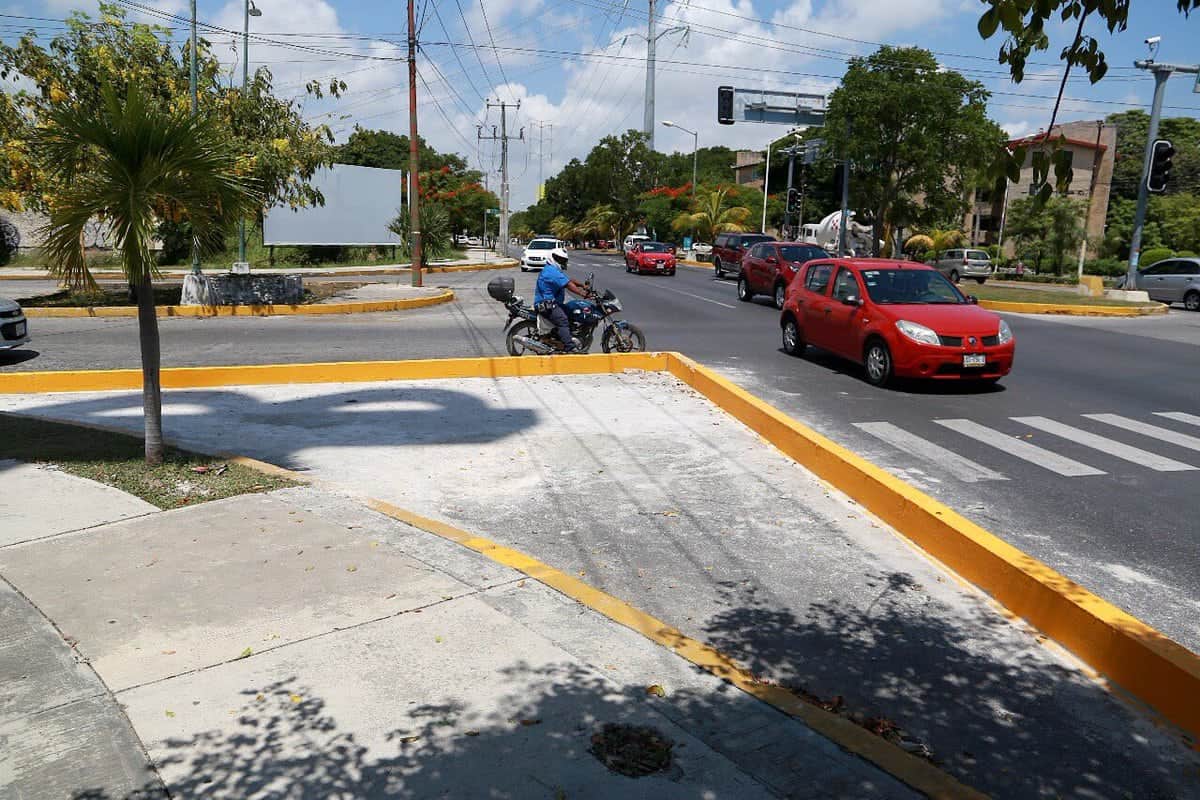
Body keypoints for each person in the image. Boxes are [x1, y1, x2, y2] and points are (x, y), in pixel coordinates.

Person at [534, 248, 590, 351]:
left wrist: (582, 285)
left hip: (552, 303)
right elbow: (568, 284)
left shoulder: (553, 270)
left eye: (563, 260)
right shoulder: (551, 271)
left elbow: (568, 280)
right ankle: (570, 347)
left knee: (571, 310)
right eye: (560, 260)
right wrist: (582, 293)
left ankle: (562, 336)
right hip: (546, 304)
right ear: (553, 258)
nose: (562, 262)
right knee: (563, 320)